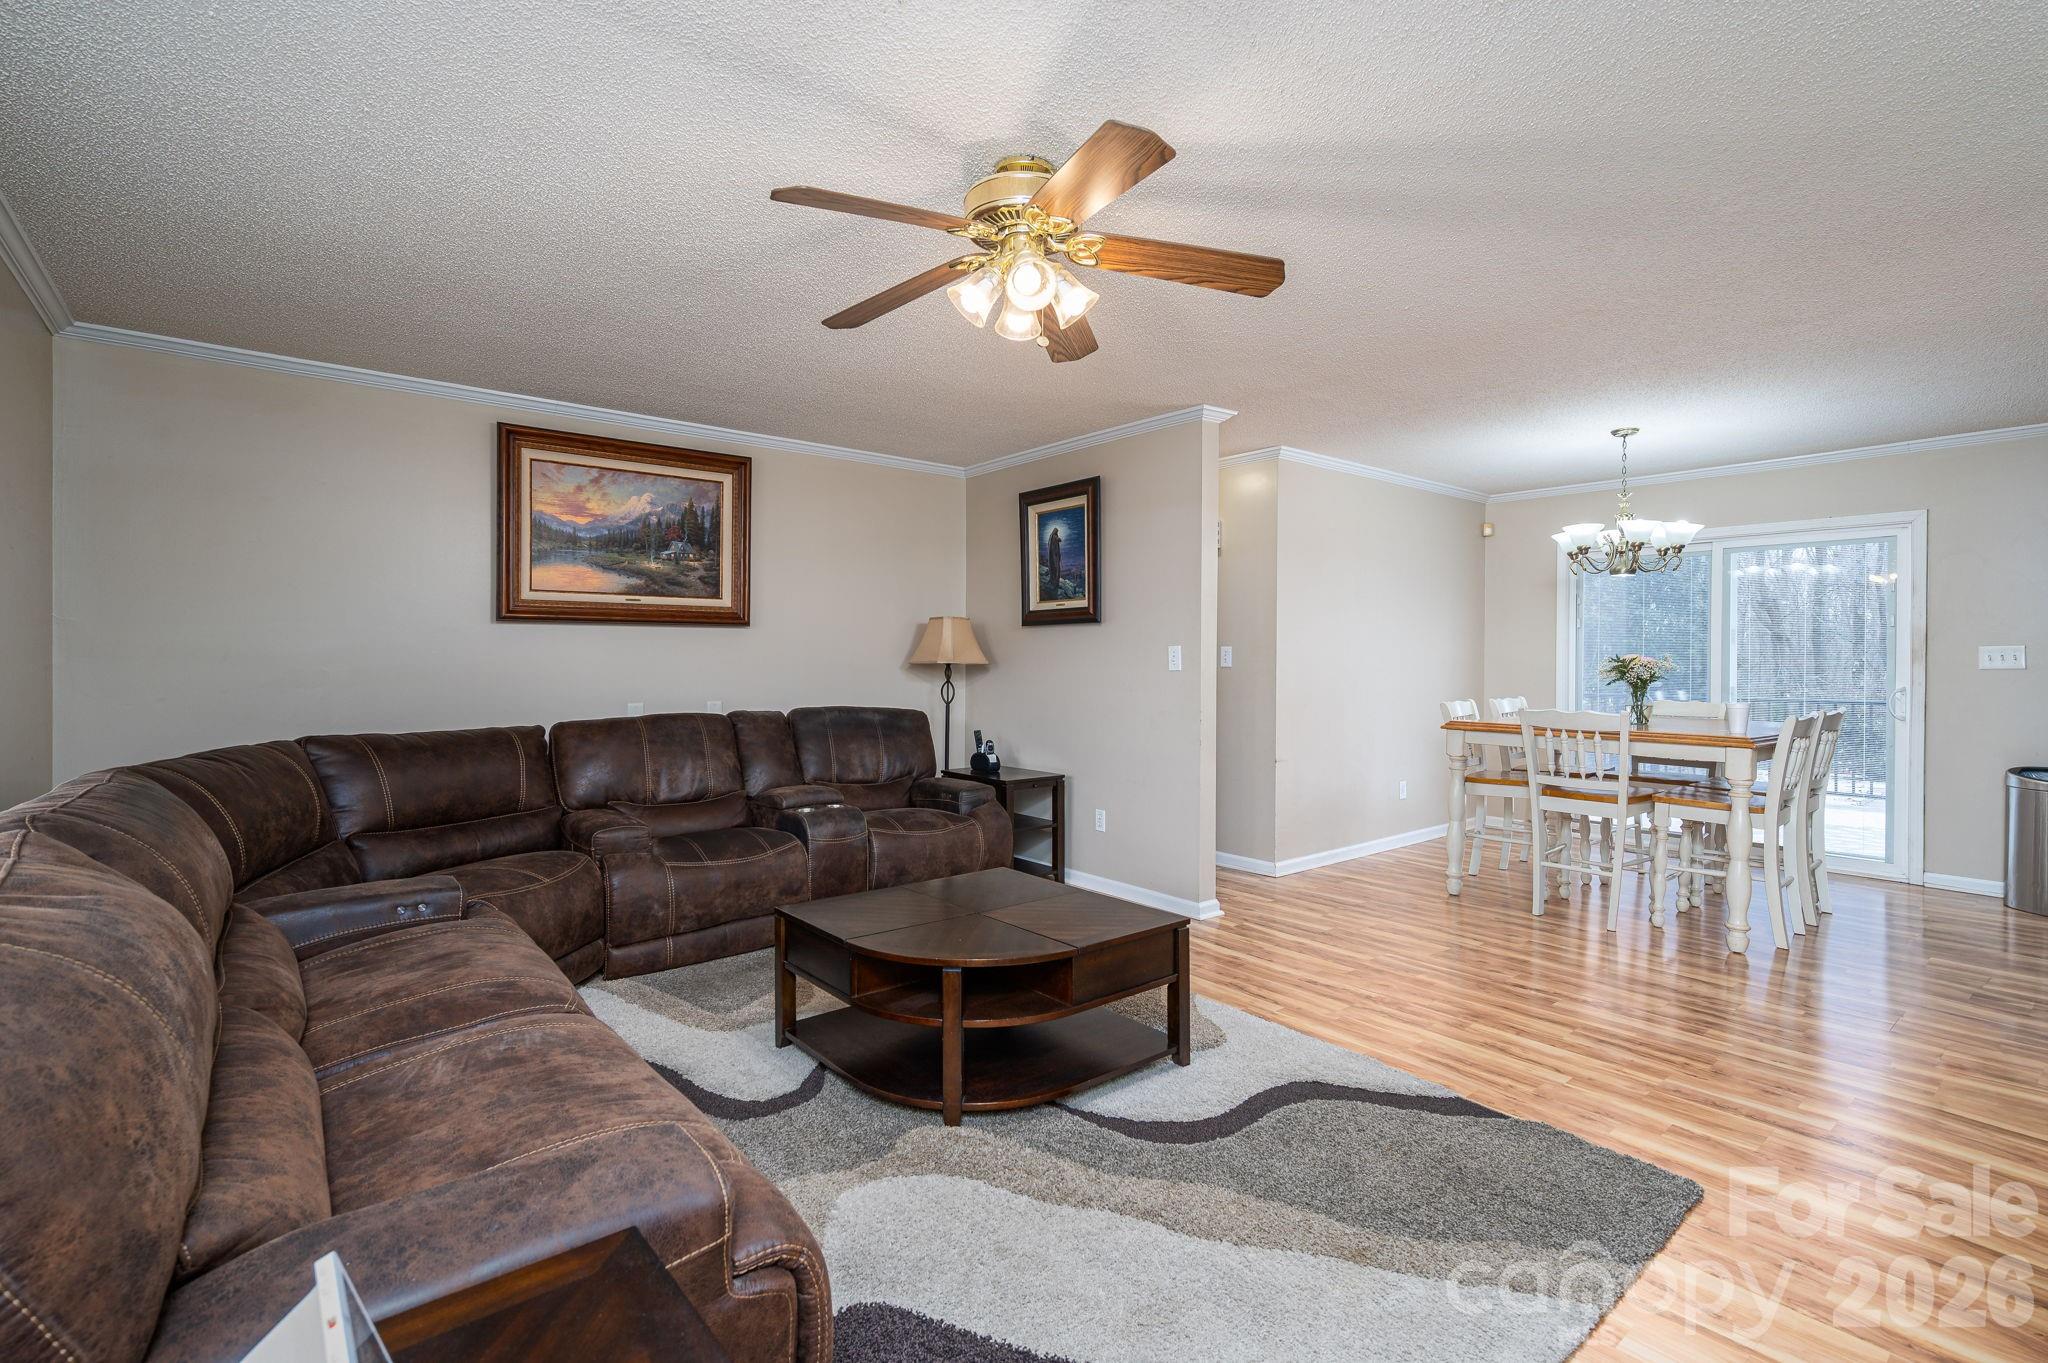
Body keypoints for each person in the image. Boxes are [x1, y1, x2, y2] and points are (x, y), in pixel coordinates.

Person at [1046, 526, 1063, 598]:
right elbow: (1060, 540)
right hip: (1055, 555)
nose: (1057, 533)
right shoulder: (1054, 536)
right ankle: (1055, 582)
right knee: (1056, 568)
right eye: (1057, 532)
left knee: (1053, 567)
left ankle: (1053, 581)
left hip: (1052, 556)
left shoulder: (1050, 537)